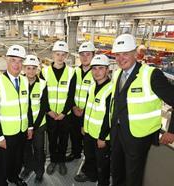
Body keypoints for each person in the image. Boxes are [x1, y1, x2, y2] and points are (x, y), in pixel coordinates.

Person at [110, 34, 174, 186]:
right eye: (117, 54)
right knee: (117, 171)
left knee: (133, 176)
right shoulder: (117, 73)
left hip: (138, 137)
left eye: (125, 53)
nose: (120, 58)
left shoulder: (151, 75)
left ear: (135, 54)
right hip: (117, 133)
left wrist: (171, 131)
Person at [0, 45, 33, 186]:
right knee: (4, 163)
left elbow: (27, 106)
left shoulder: (24, 80)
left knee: (18, 159)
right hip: (5, 134)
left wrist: (30, 126)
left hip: (21, 130)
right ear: (7, 61)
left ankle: (14, 178)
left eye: (20, 61)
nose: (17, 65)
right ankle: (1, 183)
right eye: (13, 60)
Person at [74, 54, 111, 186]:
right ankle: (91, 176)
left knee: (102, 163)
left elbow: (109, 116)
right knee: (89, 157)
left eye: (101, 68)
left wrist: (103, 137)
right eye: (94, 68)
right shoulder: (92, 87)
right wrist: (84, 126)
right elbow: (87, 109)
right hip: (89, 132)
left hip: (101, 137)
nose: (97, 72)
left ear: (107, 70)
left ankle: (102, 183)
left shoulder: (110, 90)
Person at [41, 41, 75, 176]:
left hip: (65, 116)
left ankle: (61, 161)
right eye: (57, 54)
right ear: (52, 55)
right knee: (52, 139)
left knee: (63, 139)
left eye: (63, 55)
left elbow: (71, 95)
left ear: (66, 56)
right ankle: (53, 161)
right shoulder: (44, 72)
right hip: (50, 115)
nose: (60, 57)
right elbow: (43, 95)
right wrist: (48, 111)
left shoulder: (71, 72)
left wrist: (64, 112)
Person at [20, 55, 49, 183]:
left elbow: (44, 107)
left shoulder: (42, 84)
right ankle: (28, 167)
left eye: (33, 68)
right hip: (23, 124)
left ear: (37, 69)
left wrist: (34, 127)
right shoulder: (19, 83)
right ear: (24, 69)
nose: (31, 71)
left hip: (39, 125)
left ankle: (39, 171)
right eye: (28, 68)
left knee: (38, 149)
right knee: (26, 149)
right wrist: (28, 126)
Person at [66, 41, 95, 162]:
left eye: (88, 54)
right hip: (74, 112)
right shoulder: (75, 72)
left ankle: (87, 162)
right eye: (82, 54)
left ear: (93, 55)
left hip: (89, 114)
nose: (84, 57)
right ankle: (75, 153)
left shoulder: (96, 73)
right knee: (74, 136)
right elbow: (70, 92)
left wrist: (84, 111)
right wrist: (73, 107)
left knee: (88, 140)